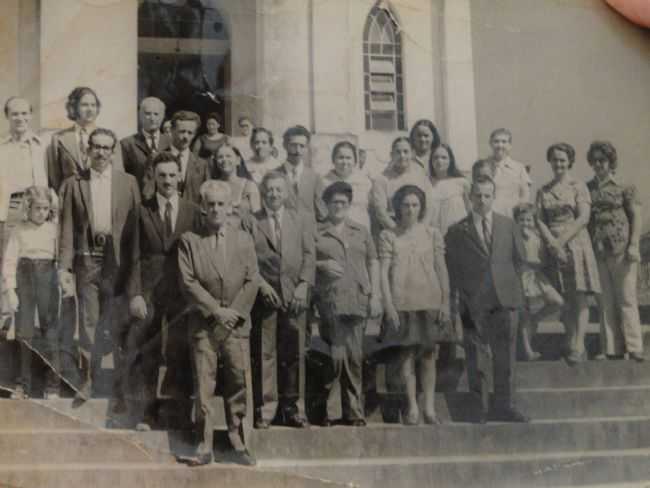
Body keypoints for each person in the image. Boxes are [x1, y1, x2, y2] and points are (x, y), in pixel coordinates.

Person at [178, 180, 259, 466]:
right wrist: (215, 311)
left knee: (238, 380)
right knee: (204, 384)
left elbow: (252, 280)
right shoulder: (190, 240)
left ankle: (238, 440)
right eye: (210, 204)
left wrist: (233, 313)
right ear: (202, 207)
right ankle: (204, 442)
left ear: (229, 208)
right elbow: (188, 282)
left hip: (236, 326)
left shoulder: (244, 240)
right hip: (204, 324)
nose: (215, 209)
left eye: (221, 204)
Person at [58, 128, 141, 402]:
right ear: (88, 150)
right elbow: (66, 227)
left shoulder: (128, 182)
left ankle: (119, 385)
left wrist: (134, 266)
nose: (101, 152)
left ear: (114, 150)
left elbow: (135, 229)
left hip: (118, 262)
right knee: (89, 322)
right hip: (87, 259)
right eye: (96, 147)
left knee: (116, 322)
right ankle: (90, 380)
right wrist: (64, 267)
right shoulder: (73, 183)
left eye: (107, 147)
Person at [123, 151, 203, 430]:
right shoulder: (141, 210)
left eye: (172, 175)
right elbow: (131, 256)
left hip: (183, 294)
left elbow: (200, 256)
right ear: (153, 178)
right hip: (149, 294)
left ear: (179, 176)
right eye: (162, 176)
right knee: (149, 353)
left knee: (181, 352)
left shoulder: (193, 211)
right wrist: (134, 294)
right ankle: (146, 414)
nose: (167, 180)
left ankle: (179, 415)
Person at [446, 175, 528, 423]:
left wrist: (510, 288)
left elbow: (519, 259)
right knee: (477, 357)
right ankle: (479, 408)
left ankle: (506, 406)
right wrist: (458, 302)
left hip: (505, 298)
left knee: (506, 357)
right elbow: (454, 269)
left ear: (494, 197)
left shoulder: (508, 224)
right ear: (470, 198)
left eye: (487, 195)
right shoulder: (457, 230)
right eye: (477, 196)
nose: (482, 201)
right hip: (474, 302)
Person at [245, 171, 315, 429]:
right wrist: (261, 285)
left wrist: (304, 285)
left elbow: (310, 255)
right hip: (266, 297)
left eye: (278, 189)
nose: (274, 194)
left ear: (286, 193)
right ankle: (267, 409)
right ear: (263, 194)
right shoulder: (252, 221)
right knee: (266, 354)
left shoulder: (302, 219)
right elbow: (247, 258)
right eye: (269, 190)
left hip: (295, 296)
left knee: (294, 353)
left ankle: (294, 409)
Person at [379, 185, 454, 425]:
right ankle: (412, 407)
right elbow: (382, 273)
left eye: (415, 205)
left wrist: (445, 302)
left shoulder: (432, 234)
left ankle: (429, 407)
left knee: (429, 356)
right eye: (405, 205)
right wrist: (388, 304)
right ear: (397, 207)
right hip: (402, 304)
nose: (410, 210)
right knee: (406, 357)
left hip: (429, 301)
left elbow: (442, 269)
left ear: (421, 207)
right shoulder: (388, 235)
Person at [315, 181, 381, 426]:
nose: (339, 206)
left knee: (354, 356)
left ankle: (354, 412)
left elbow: (374, 261)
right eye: (334, 202)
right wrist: (321, 266)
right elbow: (305, 262)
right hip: (330, 303)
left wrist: (375, 295)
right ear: (326, 204)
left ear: (349, 204)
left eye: (343, 202)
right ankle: (329, 411)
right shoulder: (317, 232)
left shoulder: (361, 231)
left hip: (357, 301)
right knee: (335, 357)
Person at [536, 143, 601, 364]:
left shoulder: (578, 186)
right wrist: (552, 243)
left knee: (579, 295)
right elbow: (539, 220)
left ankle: (579, 343)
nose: (558, 164)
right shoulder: (543, 190)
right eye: (555, 159)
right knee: (563, 296)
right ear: (550, 162)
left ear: (570, 161)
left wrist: (561, 241)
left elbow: (583, 217)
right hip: (553, 248)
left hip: (576, 244)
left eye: (563, 160)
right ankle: (570, 338)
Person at [586, 141, 644, 362]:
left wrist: (634, 244)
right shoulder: (588, 187)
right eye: (595, 160)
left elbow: (636, 215)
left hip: (622, 248)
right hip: (598, 250)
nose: (599, 164)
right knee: (606, 301)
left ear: (611, 162)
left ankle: (635, 347)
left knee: (627, 298)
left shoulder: (624, 185)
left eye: (603, 160)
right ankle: (612, 349)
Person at [1, 186, 61, 399]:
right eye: (37, 208)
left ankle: (52, 385)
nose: (41, 213)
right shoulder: (19, 230)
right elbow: (9, 261)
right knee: (24, 332)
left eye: (45, 209)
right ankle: (22, 385)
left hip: (48, 275)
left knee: (50, 330)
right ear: (28, 208)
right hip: (24, 276)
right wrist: (11, 290)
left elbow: (60, 260)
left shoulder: (54, 230)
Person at [513, 203, 564, 361]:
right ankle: (528, 351)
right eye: (522, 220)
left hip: (537, 275)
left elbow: (543, 257)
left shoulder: (538, 237)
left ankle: (536, 319)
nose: (526, 223)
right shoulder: (514, 237)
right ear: (516, 221)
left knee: (558, 301)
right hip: (523, 275)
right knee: (524, 315)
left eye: (529, 220)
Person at [48, 86, 124, 192]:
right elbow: (54, 179)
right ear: (73, 107)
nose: (90, 109)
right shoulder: (59, 138)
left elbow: (118, 174)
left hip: (101, 195)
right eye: (84, 105)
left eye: (93, 105)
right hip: (71, 198)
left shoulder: (109, 137)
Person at [0, 97, 49, 258]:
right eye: (14, 114)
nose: (20, 118)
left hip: (37, 211)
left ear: (31, 115)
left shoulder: (43, 145)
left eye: (24, 113)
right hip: (8, 213)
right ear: (7, 116)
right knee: (7, 259)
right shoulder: (1, 146)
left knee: (36, 259)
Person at [369, 136, 435, 238]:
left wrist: (421, 230)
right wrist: (398, 232)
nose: (402, 156)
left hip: (419, 232)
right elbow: (381, 212)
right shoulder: (381, 179)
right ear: (391, 155)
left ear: (412, 153)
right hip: (394, 232)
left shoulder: (421, 176)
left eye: (406, 151)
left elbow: (429, 207)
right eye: (398, 152)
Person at [144, 111, 209, 204]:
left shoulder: (202, 165)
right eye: (182, 131)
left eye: (190, 133)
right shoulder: (155, 158)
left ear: (194, 135)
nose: (186, 136)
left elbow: (206, 198)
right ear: (172, 130)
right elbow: (148, 193)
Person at [316, 141, 373, 231]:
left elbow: (371, 209)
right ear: (333, 160)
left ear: (355, 161)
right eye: (340, 157)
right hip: (333, 232)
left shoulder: (365, 182)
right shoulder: (323, 183)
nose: (344, 162)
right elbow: (321, 212)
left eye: (348, 158)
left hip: (360, 231)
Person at [121, 97, 171, 193]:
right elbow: (124, 177)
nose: (152, 118)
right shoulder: (127, 144)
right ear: (140, 116)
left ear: (162, 117)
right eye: (148, 114)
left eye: (156, 114)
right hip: (138, 197)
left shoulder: (170, 142)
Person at [277, 125, 326, 221]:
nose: (298, 150)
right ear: (285, 145)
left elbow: (323, 212)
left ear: (307, 148)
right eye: (293, 145)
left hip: (307, 233)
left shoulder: (315, 178)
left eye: (302, 146)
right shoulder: (274, 175)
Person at [487, 128, 531, 218]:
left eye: (504, 142)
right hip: (489, 218)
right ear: (490, 144)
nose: (500, 145)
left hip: (511, 218)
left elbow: (525, 196)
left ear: (510, 145)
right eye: (496, 141)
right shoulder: (483, 166)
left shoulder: (519, 168)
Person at [428, 143, 471, 236]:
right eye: (435, 157)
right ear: (431, 161)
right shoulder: (426, 183)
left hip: (459, 235)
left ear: (450, 160)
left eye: (444, 157)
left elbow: (470, 211)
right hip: (434, 235)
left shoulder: (462, 182)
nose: (439, 161)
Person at [213, 140, 261, 218]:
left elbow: (257, 216)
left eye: (228, 156)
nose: (224, 160)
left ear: (238, 160)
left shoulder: (249, 186)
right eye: (220, 157)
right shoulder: (213, 186)